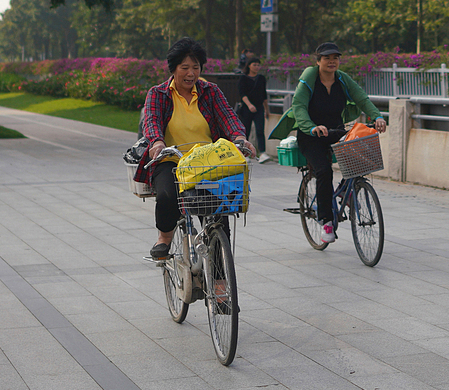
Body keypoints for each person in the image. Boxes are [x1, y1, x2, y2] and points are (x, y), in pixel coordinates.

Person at [135, 37, 256, 260]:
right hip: (172, 160)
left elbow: (228, 116)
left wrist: (240, 137)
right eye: (185, 68)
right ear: (173, 69)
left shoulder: (210, 91)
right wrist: (157, 143)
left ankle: (220, 283)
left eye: (196, 67)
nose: (191, 73)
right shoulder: (158, 93)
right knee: (166, 196)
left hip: (208, 162)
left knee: (219, 212)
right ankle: (164, 237)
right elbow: (151, 121)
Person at [269, 42, 386, 244]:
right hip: (311, 135)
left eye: (335, 58)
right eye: (327, 58)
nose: (332, 62)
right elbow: (299, 106)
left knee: (360, 154)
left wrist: (378, 116)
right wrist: (312, 127)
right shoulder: (309, 79)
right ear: (318, 61)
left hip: (335, 131)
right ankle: (326, 221)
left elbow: (362, 99)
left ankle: (347, 192)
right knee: (324, 170)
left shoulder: (342, 79)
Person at [237, 56, 270, 163]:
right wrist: (249, 105)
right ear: (249, 66)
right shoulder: (243, 78)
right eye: (254, 65)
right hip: (247, 108)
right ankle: (244, 153)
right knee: (245, 130)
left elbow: (264, 95)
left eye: (258, 65)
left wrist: (267, 109)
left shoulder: (261, 78)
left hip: (259, 107)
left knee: (260, 130)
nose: (256, 67)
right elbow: (242, 94)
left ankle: (262, 153)